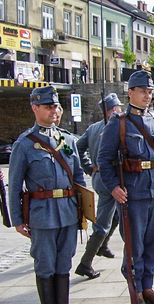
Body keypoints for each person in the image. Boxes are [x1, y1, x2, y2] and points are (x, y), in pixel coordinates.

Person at [97, 70, 154, 303]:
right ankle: (134, 287)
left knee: (152, 242)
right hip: (132, 193)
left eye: (149, 91)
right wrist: (114, 187)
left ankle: (148, 286)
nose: (147, 95)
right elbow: (103, 160)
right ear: (130, 93)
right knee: (134, 245)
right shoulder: (119, 123)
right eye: (142, 91)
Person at [8, 86, 85, 303]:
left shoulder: (68, 140)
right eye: (48, 106)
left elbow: (78, 178)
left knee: (64, 264)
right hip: (42, 215)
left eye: (56, 105)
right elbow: (14, 185)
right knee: (45, 266)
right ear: (35, 108)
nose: (54, 110)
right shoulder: (24, 144)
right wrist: (18, 220)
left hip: (68, 213)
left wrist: (84, 211)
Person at [74, 93, 123, 280]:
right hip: (108, 179)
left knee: (115, 216)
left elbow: (79, 148)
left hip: (99, 177)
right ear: (112, 110)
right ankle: (85, 263)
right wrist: (89, 167)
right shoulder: (113, 127)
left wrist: (89, 167)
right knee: (103, 223)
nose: (120, 110)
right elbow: (78, 149)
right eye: (118, 107)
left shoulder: (93, 127)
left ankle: (102, 245)